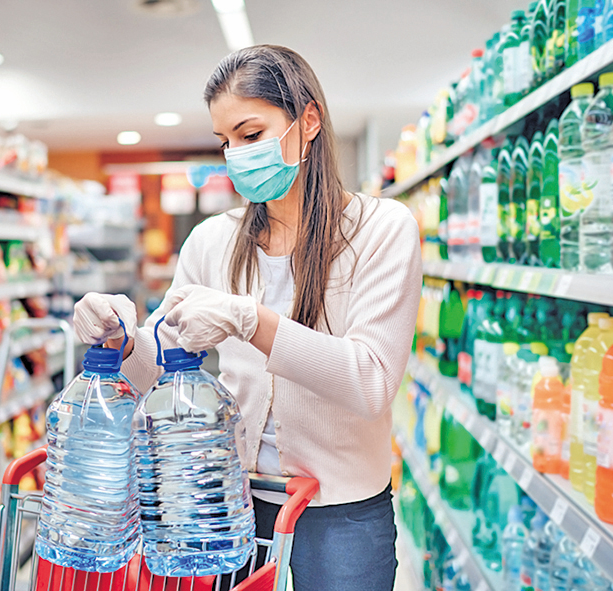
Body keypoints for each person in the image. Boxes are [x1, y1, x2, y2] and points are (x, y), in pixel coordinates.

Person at [73, 45, 421, 591]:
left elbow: (370, 381)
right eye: (225, 141)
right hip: (223, 506)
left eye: (251, 134)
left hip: (340, 517)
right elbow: (154, 369)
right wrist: (118, 340)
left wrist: (247, 319)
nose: (236, 155)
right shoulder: (214, 241)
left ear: (308, 121)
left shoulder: (382, 230)